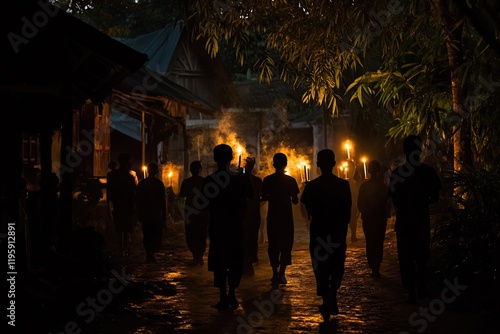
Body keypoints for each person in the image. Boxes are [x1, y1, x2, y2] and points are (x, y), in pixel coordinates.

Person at [388, 135, 442, 303]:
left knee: (406, 258)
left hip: (405, 222)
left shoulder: (397, 173)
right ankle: (420, 288)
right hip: (420, 220)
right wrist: (423, 200)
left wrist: (405, 204)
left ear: (404, 151)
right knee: (421, 257)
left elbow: (393, 198)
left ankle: (412, 290)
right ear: (419, 150)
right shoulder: (428, 172)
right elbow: (435, 196)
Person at [300, 149, 351, 321]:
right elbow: (347, 210)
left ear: (318, 165)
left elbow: (307, 207)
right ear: (334, 164)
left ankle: (326, 296)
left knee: (320, 265)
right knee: (337, 264)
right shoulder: (344, 185)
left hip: (319, 231)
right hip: (336, 231)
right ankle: (332, 294)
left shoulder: (313, 186)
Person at [203, 144, 253, 310]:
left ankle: (224, 295)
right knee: (234, 260)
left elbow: (204, 205)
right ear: (231, 158)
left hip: (219, 226)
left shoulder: (210, 180)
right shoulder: (237, 179)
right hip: (234, 225)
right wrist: (246, 174)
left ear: (215, 159)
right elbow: (251, 194)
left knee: (220, 261)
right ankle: (231, 293)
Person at [261, 152, 300, 287]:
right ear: (285, 164)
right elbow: (295, 201)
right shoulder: (291, 181)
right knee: (285, 245)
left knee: (273, 244)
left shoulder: (268, 180)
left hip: (273, 216)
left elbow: (264, 197)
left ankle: (274, 272)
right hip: (286, 217)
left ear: (273, 164)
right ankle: (282, 272)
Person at [357, 160, 390, 279]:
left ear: (370, 170)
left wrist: (366, 210)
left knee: (370, 241)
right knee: (378, 242)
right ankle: (376, 266)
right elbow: (386, 201)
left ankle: (373, 265)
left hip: (369, 218)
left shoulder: (365, 186)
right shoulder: (382, 186)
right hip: (379, 217)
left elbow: (359, 203)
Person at [107, 152, 137, 257]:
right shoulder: (129, 175)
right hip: (125, 204)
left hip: (119, 204)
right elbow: (133, 192)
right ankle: (124, 248)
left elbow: (109, 192)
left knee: (121, 228)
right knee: (125, 227)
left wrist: (108, 207)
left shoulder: (112, 175)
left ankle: (122, 249)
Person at [179, 160, 209, 266]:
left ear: (191, 170)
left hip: (191, 212)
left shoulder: (187, 182)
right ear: (200, 170)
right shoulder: (204, 181)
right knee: (201, 234)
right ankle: (199, 255)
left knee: (191, 234)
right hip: (201, 212)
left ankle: (195, 255)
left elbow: (182, 195)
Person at [136, 162, 167, 263]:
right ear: (157, 172)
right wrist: (164, 216)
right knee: (155, 234)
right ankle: (151, 253)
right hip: (155, 214)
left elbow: (138, 200)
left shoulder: (142, 183)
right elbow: (163, 202)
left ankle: (149, 253)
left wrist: (138, 213)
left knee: (147, 234)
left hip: (146, 214)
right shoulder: (159, 184)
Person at [242, 157, 263, 276]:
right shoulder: (256, 180)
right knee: (250, 238)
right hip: (250, 214)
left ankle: (247, 263)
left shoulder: (255, 181)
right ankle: (247, 262)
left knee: (247, 238)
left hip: (250, 214)